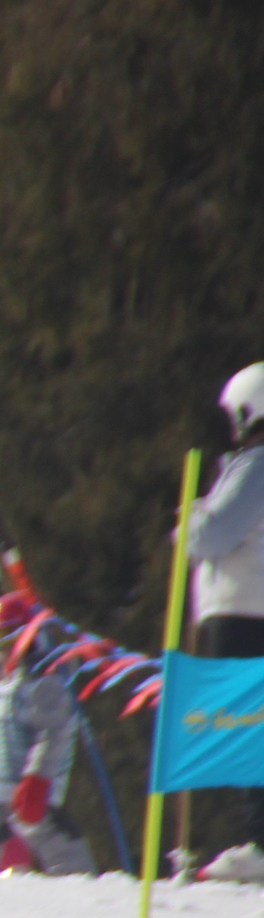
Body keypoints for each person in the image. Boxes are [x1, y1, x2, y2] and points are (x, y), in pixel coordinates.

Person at [181, 364, 264, 881]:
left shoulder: (256, 464)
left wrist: (191, 518)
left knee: (248, 725)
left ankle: (260, 842)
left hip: (243, 610)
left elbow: (214, 535)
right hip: (246, 607)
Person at [0, 595, 96, 874]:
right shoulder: (1, 683)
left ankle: (80, 884)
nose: (2, 650)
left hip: (30, 791)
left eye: (9, 639)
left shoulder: (45, 681)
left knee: (53, 841)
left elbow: (52, 735)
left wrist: (36, 779)